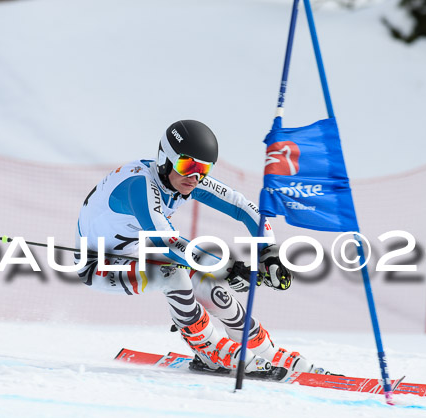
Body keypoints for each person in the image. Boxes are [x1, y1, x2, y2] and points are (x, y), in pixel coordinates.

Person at [75, 119, 323, 376]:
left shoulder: (183, 178)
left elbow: (242, 207)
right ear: (165, 159)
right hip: (99, 265)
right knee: (174, 276)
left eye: (204, 169)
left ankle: (267, 352)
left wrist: (268, 251)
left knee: (211, 289)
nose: (195, 177)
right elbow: (166, 241)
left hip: (136, 251)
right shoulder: (139, 186)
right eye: (188, 166)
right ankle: (209, 350)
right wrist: (227, 267)